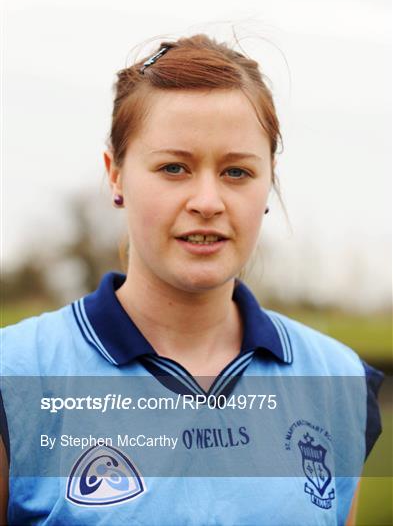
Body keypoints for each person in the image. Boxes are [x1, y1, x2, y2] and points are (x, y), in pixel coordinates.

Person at [0, 34, 383, 526]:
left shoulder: (336, 381)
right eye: (174, 167)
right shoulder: (18, 373)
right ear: (115, 174)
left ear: (270, 180)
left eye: (237, 172)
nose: (208, 201)